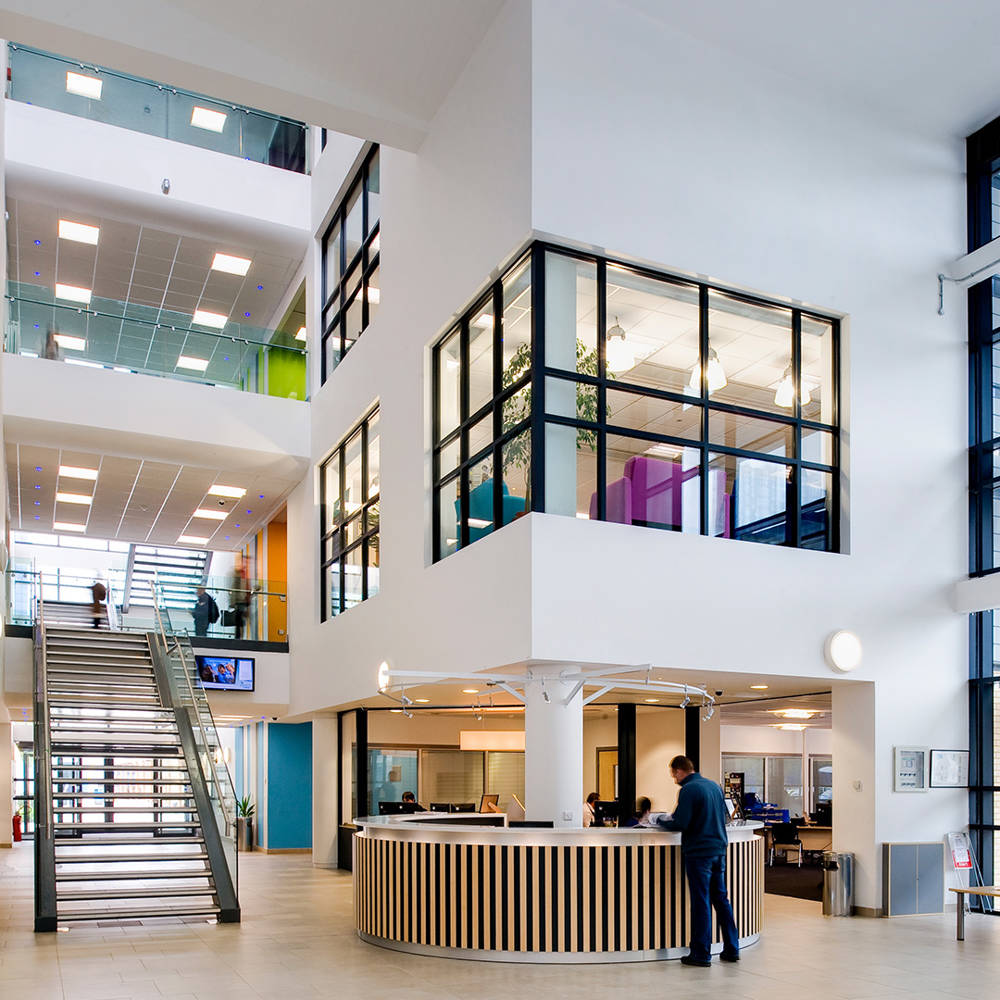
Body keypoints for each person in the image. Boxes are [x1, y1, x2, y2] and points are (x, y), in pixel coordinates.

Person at [656, 755, 740, 967]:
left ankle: (701, 953)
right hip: (719, 848)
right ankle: (732, 948)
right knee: (721, 899)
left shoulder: (689, 790)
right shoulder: (714, 787)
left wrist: (659, 821)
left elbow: (681, 822)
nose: (674, 779)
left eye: (673, 775)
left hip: (699, 852)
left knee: (701, 901)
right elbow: (724, 817)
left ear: (679, 771)